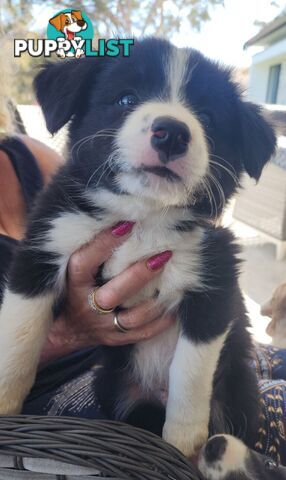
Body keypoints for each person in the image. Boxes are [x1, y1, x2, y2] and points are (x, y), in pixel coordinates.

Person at [0, 57, 285, 465]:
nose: (170, 128)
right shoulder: (66, 208)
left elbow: (212, 313)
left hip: (222, 381)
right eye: (127, 97)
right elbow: (31, 281)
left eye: (204, 115)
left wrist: (186, 414)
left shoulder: (25, 156)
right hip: (79, 389)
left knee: (250, 400)